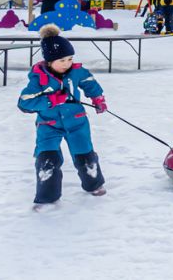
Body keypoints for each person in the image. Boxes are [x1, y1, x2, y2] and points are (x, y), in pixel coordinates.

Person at [18, 26, 108, 209]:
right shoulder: (39, 79)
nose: (67, 63)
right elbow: (24, 102)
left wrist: (98, 98)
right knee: (47, 159)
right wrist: (50, 101)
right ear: (49, 61)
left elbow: (89, 83)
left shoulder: (76, 71)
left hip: (77, 121)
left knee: (85, 154)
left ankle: (94, 184)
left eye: (70, 58)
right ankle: (47, 196)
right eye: (62, 60)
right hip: (49, 125)